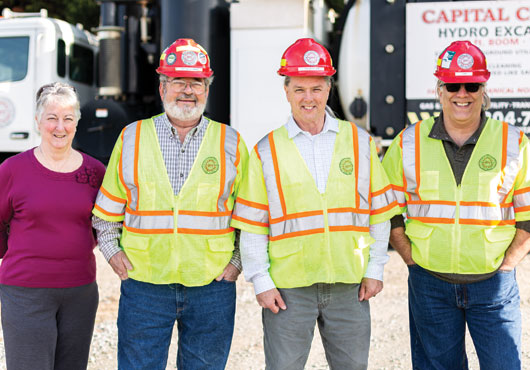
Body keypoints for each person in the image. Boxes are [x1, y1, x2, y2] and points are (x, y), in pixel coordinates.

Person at [230, 38, 400, 370]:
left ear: (328, 89)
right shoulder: (266, 151)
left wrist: (375, 268)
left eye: (317, 89)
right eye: (300, 89)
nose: (309, 98)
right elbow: (252, 224)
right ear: (287, 91)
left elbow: (379, 215)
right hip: (288, 289)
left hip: (349, 285)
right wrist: (261, 282)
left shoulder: (360, 143)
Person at [92, 38, 248, 370]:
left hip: (211, 287)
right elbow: (106, 212)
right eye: (178, 81)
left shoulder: (231, 142)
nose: (187, 90)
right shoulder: (131, 137)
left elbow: (251, 216)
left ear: (208, 89)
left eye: (197, 82)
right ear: (162, 88)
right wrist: (111, 251)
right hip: (144, 284)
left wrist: (236, 263)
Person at [382, 40, 530, 369]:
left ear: (483, 89)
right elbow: (386, 207)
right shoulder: (408, 142)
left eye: (471, 85)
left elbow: (529, 217)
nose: (462, 93)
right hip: (430, 283)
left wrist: (507, 266)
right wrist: (410, 258)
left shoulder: (514, 143)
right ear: (440, 89)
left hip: (493, 284)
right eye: (453, 84)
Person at [0, 82, 105, 370]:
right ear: (38, 121)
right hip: (25, 292)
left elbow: (102, 226)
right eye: (52, 118)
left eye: (68, 118)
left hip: (80, 291)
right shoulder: (12, 170)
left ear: (77, 123)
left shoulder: (95, 172)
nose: (60, 126)